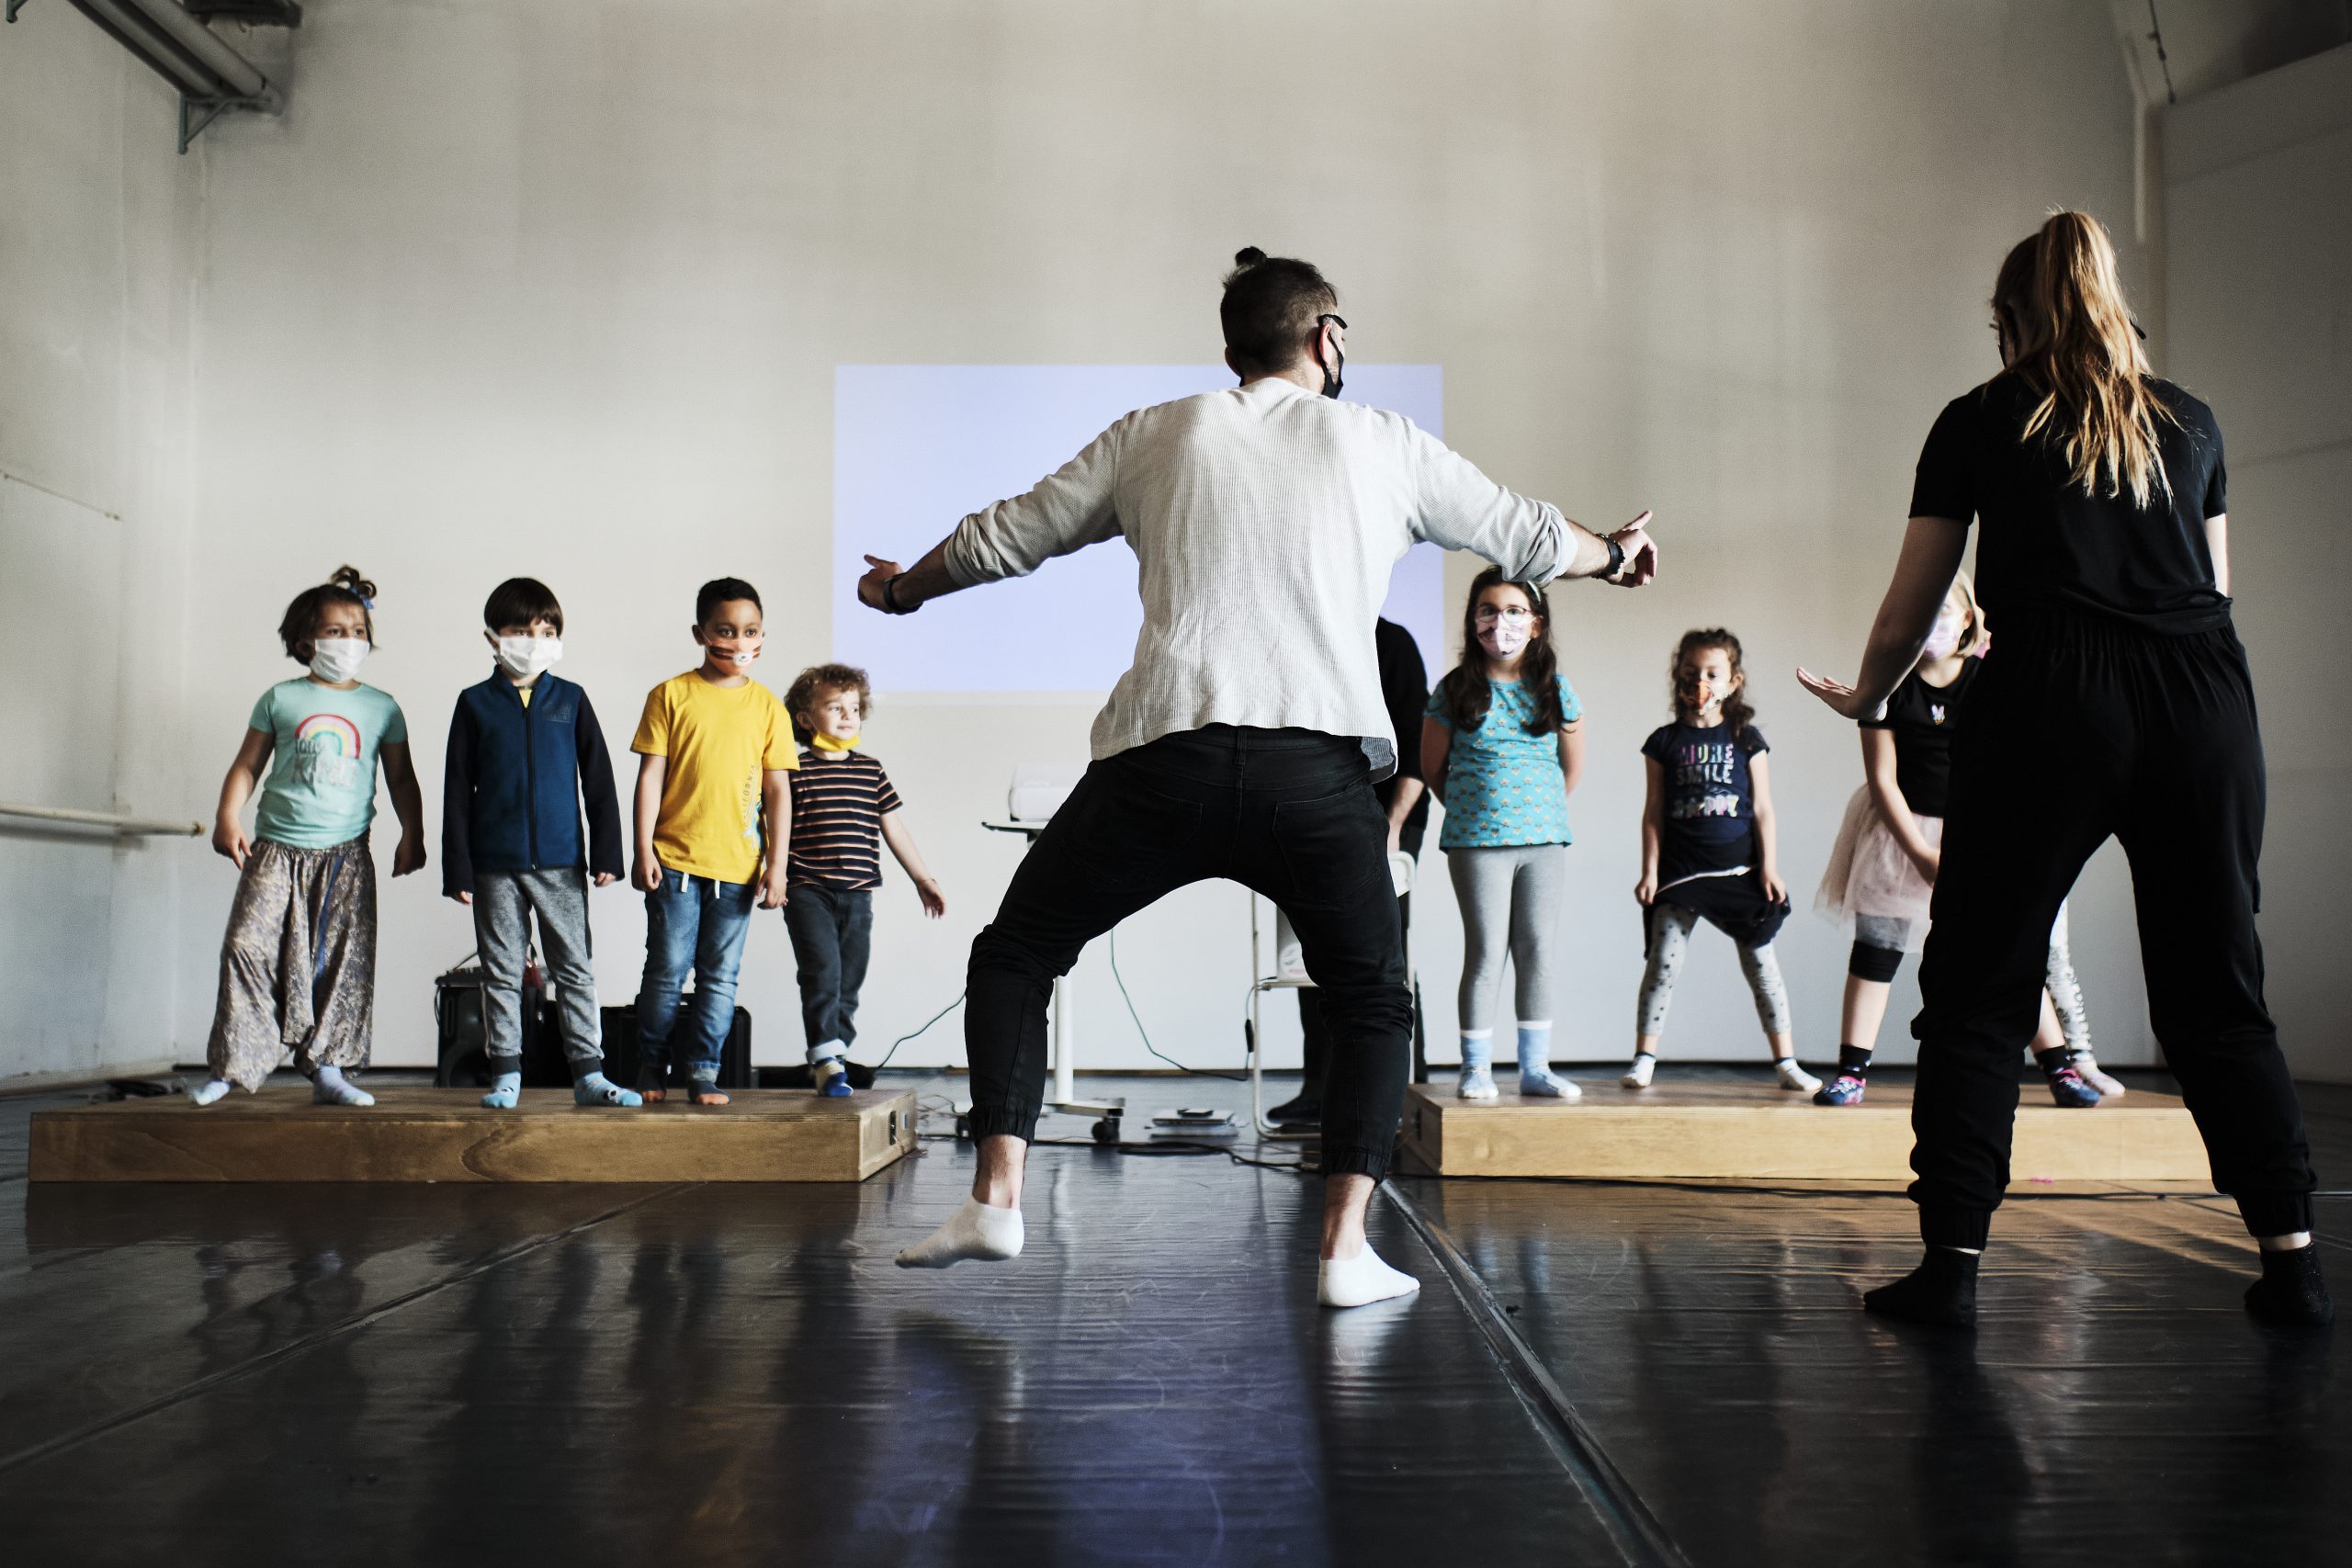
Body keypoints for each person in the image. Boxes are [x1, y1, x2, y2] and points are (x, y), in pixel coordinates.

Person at [865, 246, 1657, 1307]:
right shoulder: (1380, 441)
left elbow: (1013, 533)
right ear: (1326, 338)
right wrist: (1613, 553)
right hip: (1313, 777)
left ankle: (997, 1197)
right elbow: (1521, 530)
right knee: (1373, 999)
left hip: (1163, 761)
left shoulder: (1158, 431)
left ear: (1232, 345)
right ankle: (1343, 1255)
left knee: (1016, 955)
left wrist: (905, 590)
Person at [1798, 209, 2328, 1327]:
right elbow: (2214, 596)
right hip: (2201, 697)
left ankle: (1950, 1267)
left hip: (2049, 691)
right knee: (2218, 993)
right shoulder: (2192, 422)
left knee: (1981, 988)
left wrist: (1871, 695)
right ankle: (2292, 1262)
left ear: (2011, 320)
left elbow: (1914, 601)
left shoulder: (1980, 418)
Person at [1810, 576, 2110, 1108]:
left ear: (1968, 619)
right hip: (1901, 833)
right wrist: (1922, 854)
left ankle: (2059, 1068)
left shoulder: (1989, 680)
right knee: (1877, 951)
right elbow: (1883, 782)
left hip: (1980, 834)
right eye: (1920, 614)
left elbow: (2013, 769)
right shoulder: (1887, 686)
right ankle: (1852, 1071)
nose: (1932, 625)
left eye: (1943, 612)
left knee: (2007, 953)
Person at [192, 566, 425, 1107]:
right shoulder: (281, 699)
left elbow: (401, 777)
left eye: (359, 631)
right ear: (305, 641)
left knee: (344, 958)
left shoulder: (382, 707)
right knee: (246, 947)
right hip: (276, 849)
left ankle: (329, 1068)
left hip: (346, 854)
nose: (349, 641)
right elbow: (247, 765)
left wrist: (412, 832)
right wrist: (229, 816)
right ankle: (231, 1067)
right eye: (336, 631)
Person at [442, 576, 639, 1109]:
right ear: (493, 638)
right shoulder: (475, 704)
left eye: (546, 630)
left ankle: (589, 1074)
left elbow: (598, 780)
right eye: (520, 630)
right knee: (502, 971)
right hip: (493, 865)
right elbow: (457, 790)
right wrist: (457, 869)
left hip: (561, 862)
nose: (534, 639)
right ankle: (506, 1072)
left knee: (574, 968)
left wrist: (607, 854)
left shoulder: (571, 700)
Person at [628, 577, 797, 1107]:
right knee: (666, 970)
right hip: (674, 861)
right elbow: (650, 777)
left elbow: (777, 790)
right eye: (726, 631)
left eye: (750, 631)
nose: (740, 642)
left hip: (740, 869)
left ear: (763, 634)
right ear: (701, 633)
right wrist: (641, 848)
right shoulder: (670, 695)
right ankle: (649, 1066)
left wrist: (777, 866)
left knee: (720, 977)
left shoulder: (769, 707)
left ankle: (703, 1071)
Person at [1626, 629, 1816, 1095]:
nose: (1701, 684)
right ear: (1678, 679)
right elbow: (1653, 812)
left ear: (1734, 681)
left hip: (1739, 872)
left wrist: (1769, 866)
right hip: (1681, 872)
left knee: (1762, 965)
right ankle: (1644, 1057)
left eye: (1713, 674)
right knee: (1663, 964)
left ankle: (1786, 1061)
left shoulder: (1746, 739)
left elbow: (1763, 808)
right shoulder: (1663, 742)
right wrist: (1650, 871)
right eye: (1691, 674)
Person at [1424, 569, 1586, 1100]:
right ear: (1474, 622)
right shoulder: (1453, 690)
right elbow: (1432, 768)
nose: (1502, 622)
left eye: (1515, 611)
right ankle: (1476, 1069)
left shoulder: (1555, 689)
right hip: (1476, 843)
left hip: (1543, 841)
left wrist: (1535, 812)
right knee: (1487, 950)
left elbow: (1572, 767)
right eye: (1489, 611)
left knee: (1537, 949)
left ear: (1536, 624)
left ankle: (1535, 1069)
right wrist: (1478, 811)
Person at [1267, 615, 1431, 1127]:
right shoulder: (1298, 632)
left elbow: (1415, 747)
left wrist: (1392, 825)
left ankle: (1406, 1090)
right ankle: (1318, 1087)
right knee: (1309, 952)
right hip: (1312, 810)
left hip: (1388, 817)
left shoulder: (1393, 642)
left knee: (1383, 954)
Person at [780, 662, 946, 1097]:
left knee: (849, 979)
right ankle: (826, 1056)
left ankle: (833, 1053)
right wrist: (773, 872)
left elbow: (893, 827)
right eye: (835, 707)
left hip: (857, 894)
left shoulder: (871, 770)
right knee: (822, 972)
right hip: (807, 889)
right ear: (805, 719)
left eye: (854, 707)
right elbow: (773, 827)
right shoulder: (793, 770)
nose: (848, 716)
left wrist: (922, 878)